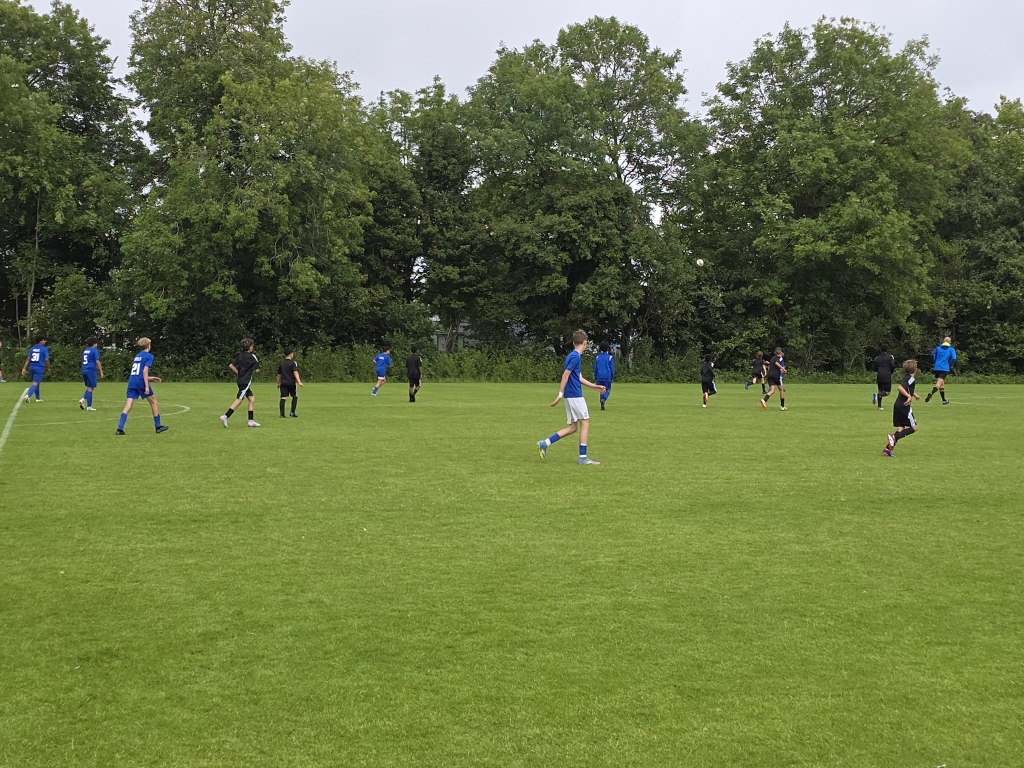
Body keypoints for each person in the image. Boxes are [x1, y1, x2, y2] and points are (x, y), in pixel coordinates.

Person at [537, 330, 606, 465]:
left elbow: (578, 377)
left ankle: (544, 443)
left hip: (570, 396)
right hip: (575, 395)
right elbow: (566, 375)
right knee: (585, 423)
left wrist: (594, 386)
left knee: (573, 427)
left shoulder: (571, 356)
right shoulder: (576, 357)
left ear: (574, 342)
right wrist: (559, 394)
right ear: (585, 343)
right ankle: (583, 457)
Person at [116, 338, 168, 435]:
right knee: (153, 402)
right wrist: (147, 386)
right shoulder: (149, 356)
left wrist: (151, 378)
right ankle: (158, 426)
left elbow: (138, 373)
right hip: (141, 382)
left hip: (132, 381)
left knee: (128, 405)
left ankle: (119, 428)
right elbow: (144, 372)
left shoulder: (137, 356)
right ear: (148, 346)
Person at [883, 360, 921, 456]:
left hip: (898, 405)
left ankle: (887, 450)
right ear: (915, 369)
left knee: (900, 429)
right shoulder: (911, 379)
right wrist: (909, 397)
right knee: (914, 428)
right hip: (904, 406)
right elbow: (900, 388)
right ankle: (893, 437)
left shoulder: (907, 377)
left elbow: (907, 388)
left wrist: (914, 394)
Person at [221, 339, 260, 428]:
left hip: (240, 380)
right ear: (250, 347)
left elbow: (231, 365)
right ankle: (225, 416)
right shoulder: (252, 356)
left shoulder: (240, 356)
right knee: (239, 400)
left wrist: (239, 373)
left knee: (251, 399)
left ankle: (251, 421)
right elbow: (257, 370)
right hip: (246, 382)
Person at [925, 336, 956, 404]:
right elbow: (954, 358)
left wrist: (934, 362)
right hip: (944, 368)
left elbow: (932, 354)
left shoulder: (938, 348)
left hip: (937, 367)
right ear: (950, 342)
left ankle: (944, 400)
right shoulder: (951, 349)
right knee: (939, 383)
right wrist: (950, 365)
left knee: (941, 384)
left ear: (943, 341)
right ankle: (931, 393)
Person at [21, 335, 50, 402]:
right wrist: (48, 367)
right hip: (39, 368)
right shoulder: (44, 349)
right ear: (41, 341)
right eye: (44, 340)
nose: (44, 342)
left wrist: (24, 368)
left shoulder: (32, 349)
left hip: (32, 367)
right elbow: (47, 359)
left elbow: (28, 359)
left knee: (37, 382)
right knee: (35, 383)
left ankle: (38, 398)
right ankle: (28, 395)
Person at [277, 347, 303, 418]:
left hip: (283, 383)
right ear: (291, 354)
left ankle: (282, 414)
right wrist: (299, 382)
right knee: (294, 396)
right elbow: (295, 372)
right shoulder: (293, 363)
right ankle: (292, 412)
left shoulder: (282, 364)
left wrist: (278, 383)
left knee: (283, 397)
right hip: (291, 383)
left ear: (284, 354)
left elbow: (279, 375)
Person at [79, 337, 104, 410]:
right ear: (94, 344)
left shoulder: (85, 350)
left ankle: (83, 399)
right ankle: (89, 406)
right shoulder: (94, 350)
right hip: (91, 370)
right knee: (90, 388)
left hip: (84, 369)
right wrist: (101, 371)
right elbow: (97, 361)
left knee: (89, 387)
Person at [872, 346, 897, 411]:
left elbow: (873, 368)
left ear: (880, 350)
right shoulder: (890, 357)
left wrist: (879, 370)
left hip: (879, 375)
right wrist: (890, 372)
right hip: (887, 376)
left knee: (880, 390)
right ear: (887, 350)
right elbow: (893, 366)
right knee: (887, 392)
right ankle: (877, 395)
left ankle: (879, 406)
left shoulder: (877, 358)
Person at [593, 342, 615, 410]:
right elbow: (612, 368)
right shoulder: (610, 357)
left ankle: (602, 403)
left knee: (601, 390)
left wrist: (595, 376)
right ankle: (604, 399)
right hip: (607, 376)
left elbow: (595, 368)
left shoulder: (598, 357)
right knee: (608, 389)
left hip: (599, 376)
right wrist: (612, 377)